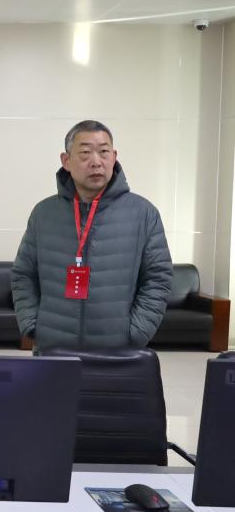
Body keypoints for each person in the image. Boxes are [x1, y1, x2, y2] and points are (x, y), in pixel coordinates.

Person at [11, 120, 172, 349]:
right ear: (66, 161)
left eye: (104, 152)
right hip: (54, 348)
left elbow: (158, 277)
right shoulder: (44, 213)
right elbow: (23, 274)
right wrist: (33, 325)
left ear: (114, 157)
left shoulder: (143, 214)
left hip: (118, 351)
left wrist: (136, 333)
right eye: (85, 153)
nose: (96, 162)